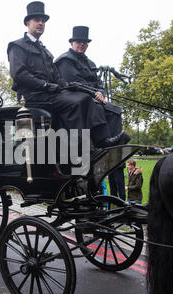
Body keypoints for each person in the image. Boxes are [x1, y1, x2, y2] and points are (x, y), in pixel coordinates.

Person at [7, 1, 130, 149]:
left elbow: (56, 77)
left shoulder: (45, 50)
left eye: (43, 21)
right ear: (27, 23)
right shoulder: (17, 46)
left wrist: (67, 86)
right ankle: (78, 147)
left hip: (49, 93)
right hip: (32, 95)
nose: (41, 23)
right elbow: (19, 74)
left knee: (85, 98)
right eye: (37, 20)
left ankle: (101, 140)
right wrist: (45, 85)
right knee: (77, 102)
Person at [55, 26, 128, 199]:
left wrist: (101, 92)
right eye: (79, 42)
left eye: (84, 43)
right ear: (72, 43)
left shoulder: (90, 63)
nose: (81, 45)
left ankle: (113, 145)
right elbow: (71, 82)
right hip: (73, 97)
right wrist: (93, 93)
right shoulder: (64, 60)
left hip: (93, 97)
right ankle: (100, 141)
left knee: (114, 110)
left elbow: (99, 83)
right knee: (93, 104)